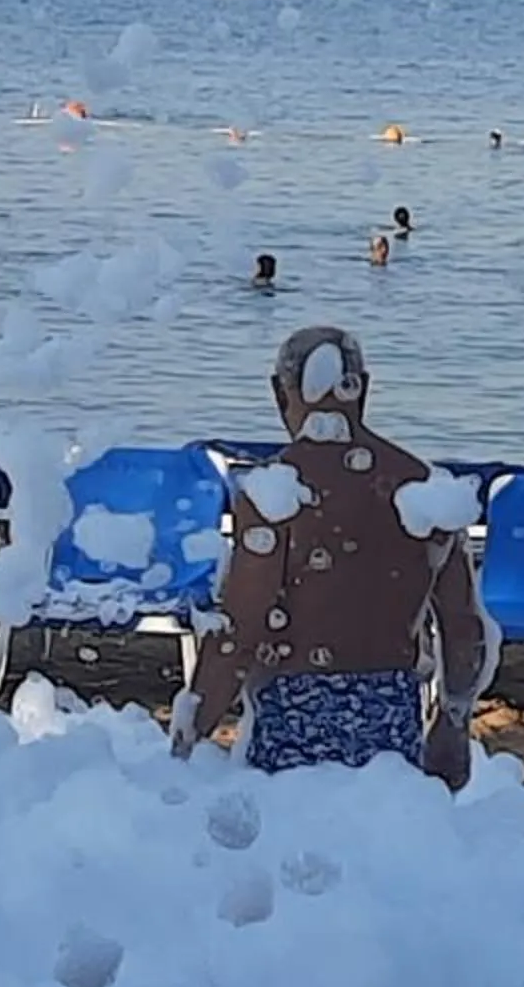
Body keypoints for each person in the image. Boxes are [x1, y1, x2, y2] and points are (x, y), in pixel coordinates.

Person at [175, 327, 487, 787]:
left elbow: (240, 633)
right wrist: (453, 719)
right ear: (364, 387)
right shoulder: (421, 484)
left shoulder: (277, 491)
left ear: (280, 392)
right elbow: (463, 627)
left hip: (292, 719)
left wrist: (186, 743)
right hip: (391, 715)